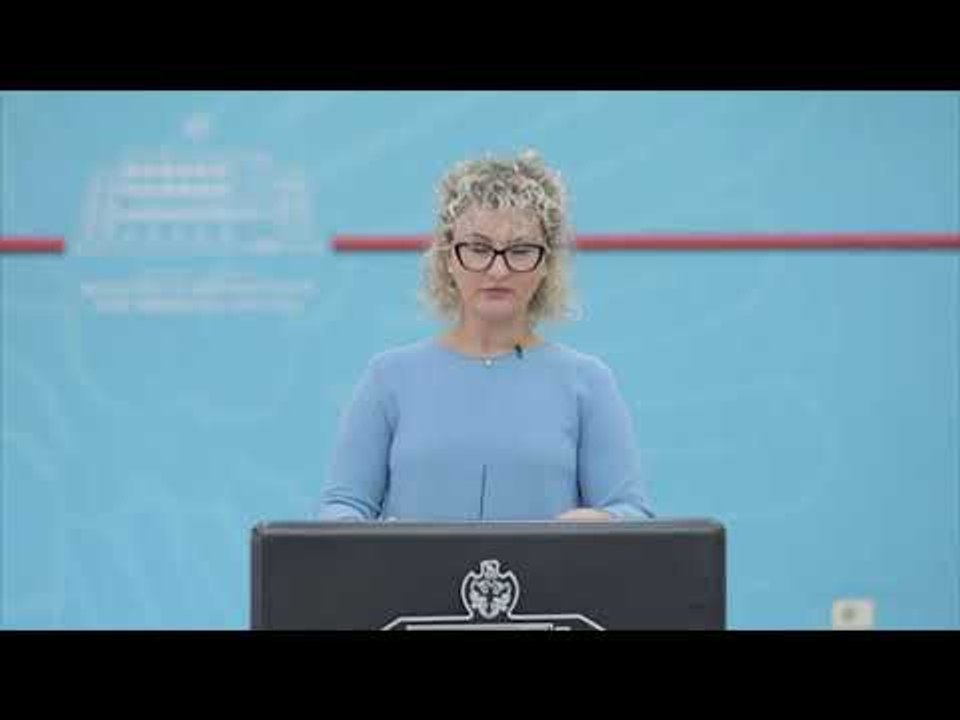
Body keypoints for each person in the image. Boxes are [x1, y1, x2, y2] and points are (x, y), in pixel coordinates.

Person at [317, 150, 653, 522]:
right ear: (447, 257)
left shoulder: (587, 382)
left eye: (520, 250)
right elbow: (342, 505)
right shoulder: (388, 377)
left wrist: (606, 521)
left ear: (546, 263)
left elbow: (631, 511)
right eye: (478, 248)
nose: (497, 270)